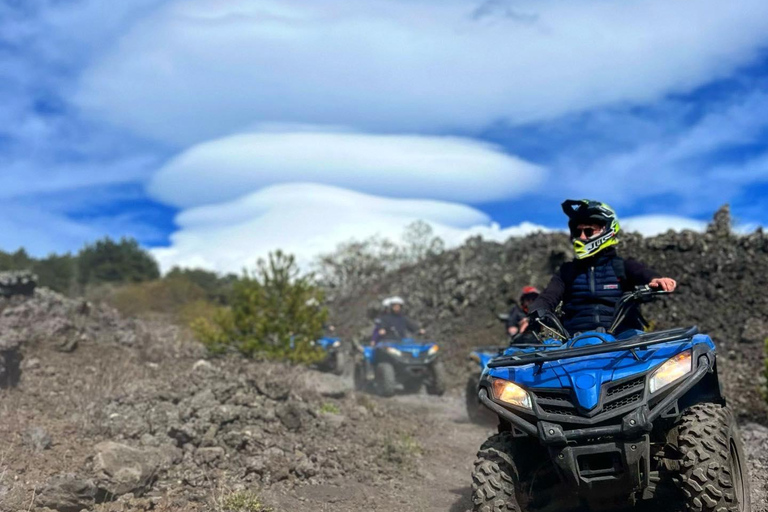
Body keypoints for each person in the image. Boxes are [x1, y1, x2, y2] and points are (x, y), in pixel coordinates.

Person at [528, 199, 677, 335]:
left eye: (588, 231)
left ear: (607, 230)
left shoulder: (623, 265)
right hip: (577, 343)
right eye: (577, 232)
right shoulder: (566, 271)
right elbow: (548, 297)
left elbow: (643, 273)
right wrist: (537, 310)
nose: (582, 237)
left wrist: (657, 280)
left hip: (624, 341)